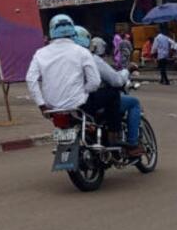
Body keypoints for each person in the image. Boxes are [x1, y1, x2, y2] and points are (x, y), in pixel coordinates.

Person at [26, 15, 123, 145]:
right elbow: (95, 82)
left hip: (52, 107)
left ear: (51, 31)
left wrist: (42, 105)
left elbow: (30, 80)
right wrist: (83, 91)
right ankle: (113, 136)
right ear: (72, 30)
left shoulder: (40, 54)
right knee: (113, 94)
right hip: (79, 104)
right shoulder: (82, 52)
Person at [76, 26, 145, 157]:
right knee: (133, 102)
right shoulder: (91, 59)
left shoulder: (61, 59)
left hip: (68, 104)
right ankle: (132, 144)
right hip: (89, 101)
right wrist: (127, 70)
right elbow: (116, 81)